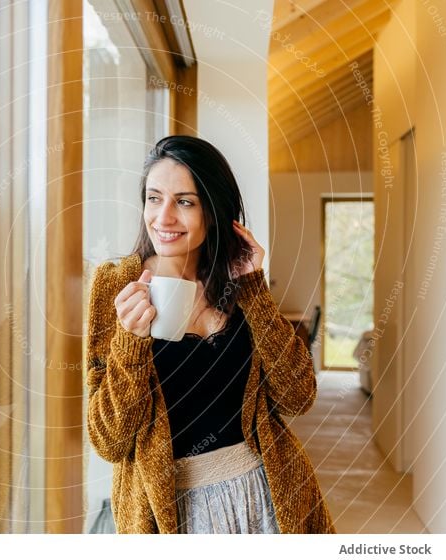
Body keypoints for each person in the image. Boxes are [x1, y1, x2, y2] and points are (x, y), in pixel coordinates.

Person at [86, 135, 335, 534]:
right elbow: (109, 440)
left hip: (266, 496)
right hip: (174, 512)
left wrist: (254, 288)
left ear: (214, 212)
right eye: (154, 198)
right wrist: (131, 341)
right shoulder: (115, 285)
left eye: (185, 202)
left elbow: (298, 396)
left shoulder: (238, 284)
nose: (163, 217)